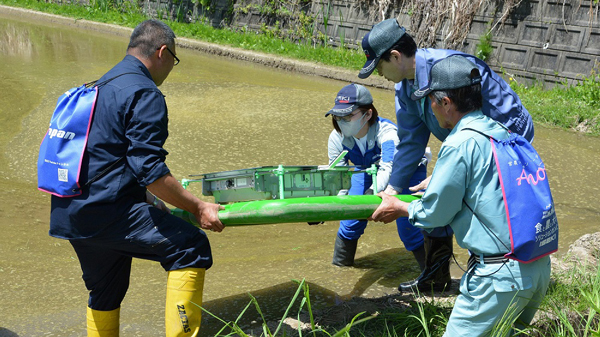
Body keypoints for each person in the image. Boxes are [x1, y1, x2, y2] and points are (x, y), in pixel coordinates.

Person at [49, 20, 224, 337]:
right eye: (174, 58)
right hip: (107, 211)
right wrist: (199, 208)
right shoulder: (145, 93)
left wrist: (151, 200)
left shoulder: (99, 85)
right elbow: (150, 170)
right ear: (162, 52)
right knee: (191, 247)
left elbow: (104, 158)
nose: (172, 67)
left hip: (71, 212)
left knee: (106, 289)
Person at [372, 55, 551, 336]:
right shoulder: (502, 131)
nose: (430, 108)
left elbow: (437, 214)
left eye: (431, 100)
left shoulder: (459, 142)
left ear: (446, 103)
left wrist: (399, 206)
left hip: (498, 276)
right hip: (538, 265)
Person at [359, 18, 535, 293]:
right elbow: (410, 143)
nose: (379, 74)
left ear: (395, 56)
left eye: (379, 66)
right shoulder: (404, 89)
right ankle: (436, 279)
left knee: (485, 201)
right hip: (465, 142)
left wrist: (456, 171)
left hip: (509, 135)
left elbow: (500, 122)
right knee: (438, 193)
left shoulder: (457, 71)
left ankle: (498, 271)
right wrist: (391, 190)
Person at [324, 83, 427, 267]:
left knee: (409, 227)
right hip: (366, 171)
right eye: (338, 116)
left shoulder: (387, 133)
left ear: (368, 113)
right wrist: (327, 209)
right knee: (349, 221)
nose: (341, 121)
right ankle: (341, 270)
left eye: (348, 116)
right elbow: (338, 179)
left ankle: (433, 276)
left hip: (405, 173)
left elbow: (388, 168)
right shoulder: (336, 138)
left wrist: (368, 198)